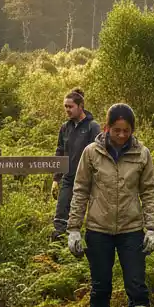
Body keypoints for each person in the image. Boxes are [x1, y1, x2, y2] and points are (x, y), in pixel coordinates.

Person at [67, 103, 154, 307]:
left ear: (132, 130)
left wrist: (151, 228)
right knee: (101, 286)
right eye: (116, 130)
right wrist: (73, 227)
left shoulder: (142, 154)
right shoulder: (91, 153)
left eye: (126, 130)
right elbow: (80, 189)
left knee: (137, 286)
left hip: (131, 229)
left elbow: (149, 191)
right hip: (98, 229)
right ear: (106, 128)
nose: (121, 135)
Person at [51, 89, 100, 240]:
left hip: (89, 180)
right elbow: (60, 152)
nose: (67, 110)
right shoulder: (65, 127)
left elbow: (99, 154)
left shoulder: (93, 127)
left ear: (81, 106)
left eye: (70, 106)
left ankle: (87, 246)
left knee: (92, 216)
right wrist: (55, 179)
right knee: (61, 215)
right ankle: (58, 250)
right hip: (68, 178)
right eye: (65, 106)